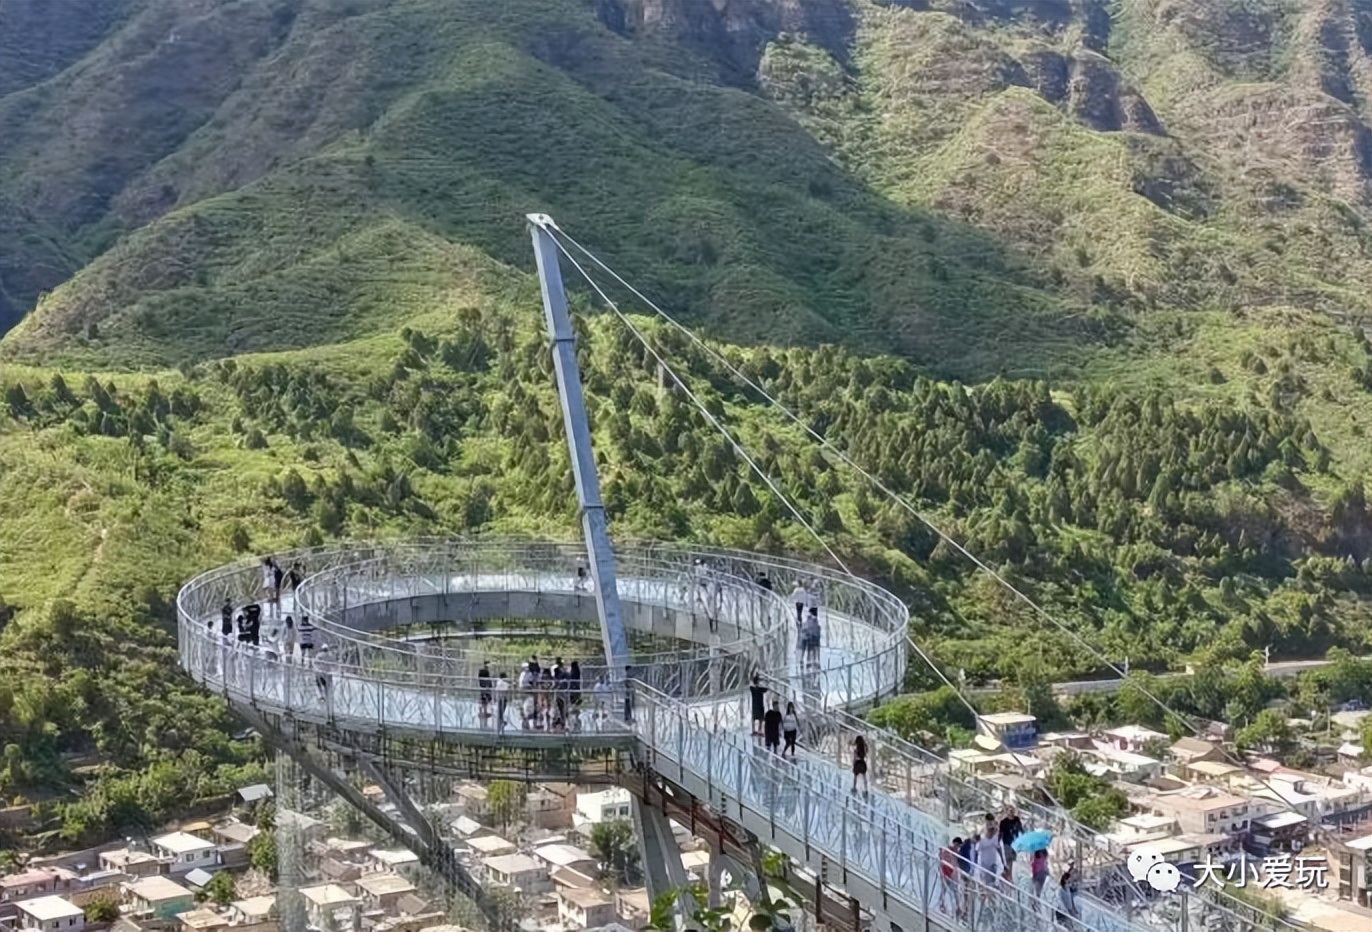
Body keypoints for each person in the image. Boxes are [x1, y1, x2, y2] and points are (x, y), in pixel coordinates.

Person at [973, 823, 1003, 896]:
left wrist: (1002, 860)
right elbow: (976, 851)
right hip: (984, 865)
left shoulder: (995, 838)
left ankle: (992, 898)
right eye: (990, 831)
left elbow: (998, 848)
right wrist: (975, 863)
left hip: (993, 864)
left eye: (993, 832)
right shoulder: (982, 840)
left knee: (992, 883)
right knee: (985, 883)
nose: (991, 834)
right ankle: (984, 897)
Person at [999, 805, 1024, 881]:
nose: (1011, 812)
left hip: (1015, 842)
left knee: (1014, 860)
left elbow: (1021, 829)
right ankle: (1009, 875)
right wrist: (998, 841)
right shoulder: (1003, 822)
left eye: (1012, 810)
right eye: (1009, 811)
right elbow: (1001, 833)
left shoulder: (1016, 820)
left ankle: (1013, 875)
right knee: (1008, 860)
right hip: (1007, 843)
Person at [939, 838, 960, 915]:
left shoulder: (956, 853)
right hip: (946, 873)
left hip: (951, 873)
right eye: (956, 845)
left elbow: (955, 864)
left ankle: (957, 906)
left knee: (954, 891)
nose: (957, 847)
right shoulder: (947, 851)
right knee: (944, 890)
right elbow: (943, 862)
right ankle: (942, 904)